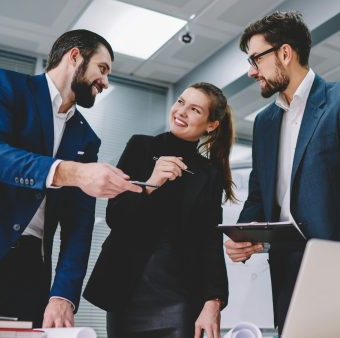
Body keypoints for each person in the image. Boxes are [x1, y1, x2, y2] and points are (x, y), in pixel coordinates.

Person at [0, 29, 142, 337]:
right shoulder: (5, 85)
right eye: (102, 68)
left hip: (28, 275)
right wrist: (71, 172)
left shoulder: (87, 139)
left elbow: (79, 227)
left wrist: (63, 295)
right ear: (75, 56)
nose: (105, 81)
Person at [223, 11, 340, 333]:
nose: (251, 72)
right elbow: (260, 190)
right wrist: (244, 234)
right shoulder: (265, 122)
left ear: (284, 53)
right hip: (286, 268)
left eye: (255, 59)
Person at [83, 82, 234, 338]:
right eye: (181, 102)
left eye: (195, 109)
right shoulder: (140, 147)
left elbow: (210, 240)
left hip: (181, 295)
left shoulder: (210, 173)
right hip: (128, 289)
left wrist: (214, 300)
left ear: (211, 125)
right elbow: (115, 217)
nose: (181, 111)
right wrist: (150, 185)